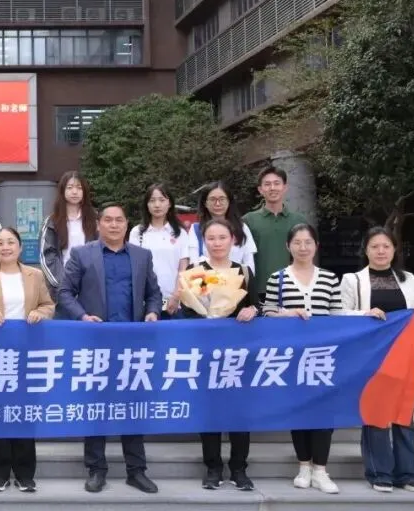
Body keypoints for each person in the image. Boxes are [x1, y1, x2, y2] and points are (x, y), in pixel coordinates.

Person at [57, 203, 161, 495]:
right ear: (99, 224)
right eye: (108, 220)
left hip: (133, 345)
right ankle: (96, 469)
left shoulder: (141, 256)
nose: (114, 225)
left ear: (127, 224)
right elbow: (64, 293)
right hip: (95, 342)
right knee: (96, 406)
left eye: (119, 220)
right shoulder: (82, 254)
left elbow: (153, 293)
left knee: (132, 407)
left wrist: (153, 312)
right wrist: (82, 317)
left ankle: (136, 470)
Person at [340, 226, 414, 493]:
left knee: (404, 412)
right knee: (376, 412)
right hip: (372, 357)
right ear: (366, 250)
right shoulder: (352, 280)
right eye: (375, 247)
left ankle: (408, 473)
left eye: (386, 246)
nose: (381, 251)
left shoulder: (408, 279)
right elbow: (340, 313)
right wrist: (365, 314)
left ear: (394, 250)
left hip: (402, 356)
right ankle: (379, 472)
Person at [0, 227, 55, 492]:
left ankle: (25, 473)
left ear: (19, 247)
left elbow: (48, 305)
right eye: (0, 243)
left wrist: (40, 313)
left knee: (25, 413)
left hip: (28, 354)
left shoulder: (34, 275)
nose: (5, 247)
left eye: (10, 242)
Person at [262, 222, 345, 494]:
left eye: (308, 242)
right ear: (288, 246)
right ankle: (304, 466)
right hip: (293, 358)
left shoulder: (329, 279)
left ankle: (321, 470)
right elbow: (268, 313)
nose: (303, 247)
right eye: (297, 242)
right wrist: (286, 314)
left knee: (324, 412)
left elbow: (338, 316)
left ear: (316, 246)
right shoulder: (278, 278)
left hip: (323, 357)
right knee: (299, 411)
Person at [185, 219, 259, 492]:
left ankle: (239, 468)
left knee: (240, 413)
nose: (217, 243)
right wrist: (208, 318)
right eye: (211, 238)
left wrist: (253, 310)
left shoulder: (243, 271)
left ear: (233, 240)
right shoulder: (196, 272)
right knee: (210, 412)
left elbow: (255, 305)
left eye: (222, 237)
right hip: (207, 354)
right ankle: (213, 467)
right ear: (204, 241)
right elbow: (190, 311)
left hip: (239, 354)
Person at [243, 166, 308, 302]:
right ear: (260, 190)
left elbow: (307, 255)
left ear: (285, 187)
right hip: (259, 290)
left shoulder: (299, 220)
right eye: (267, 184)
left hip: (293, 288)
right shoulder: (248, 220)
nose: (272, 188)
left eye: (277, 183)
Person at [128, 183, 191, 319]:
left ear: (170, 203)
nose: (157, 205)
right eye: (152, 200)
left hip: (173, 301)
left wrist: (176, 295)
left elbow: (183, 267)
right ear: (147, 205)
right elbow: (134, 266)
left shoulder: (179, 233)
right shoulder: (137, 232)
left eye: (162, 200)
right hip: (145, 302)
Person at [39, 171, 97, 300]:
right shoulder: (51, 221)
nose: (74, 192)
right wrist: (62, 285)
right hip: (63, 286)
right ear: (62, 191)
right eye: (70, 188)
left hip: (91, 286)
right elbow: (47, 255)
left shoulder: (95, 220)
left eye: (79, 188)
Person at [188, 181, 256, 274]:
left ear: (229, 201)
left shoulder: (242, 228)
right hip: (206, 281)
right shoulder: (196, 229)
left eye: (222, 199)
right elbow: (194, 264)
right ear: (205, 203)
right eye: (212, 199)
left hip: (236, 280)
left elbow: (249, 263)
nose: (217, 203)